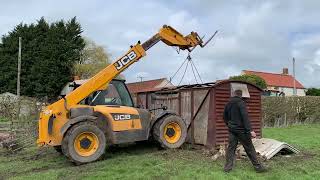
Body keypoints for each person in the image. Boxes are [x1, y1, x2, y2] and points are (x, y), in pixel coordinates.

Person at [223, 89, 266, 173]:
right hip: (242, 131)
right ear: (241, 95)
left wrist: (229, 125)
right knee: (249, 148)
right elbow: (245, 117)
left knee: (231, 149)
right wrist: (250, 130)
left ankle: (227, 168)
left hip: (232, 130)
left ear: (234, 94)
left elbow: (224, 117)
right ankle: (258, 167)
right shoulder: (241, 103)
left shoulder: (228, 103)